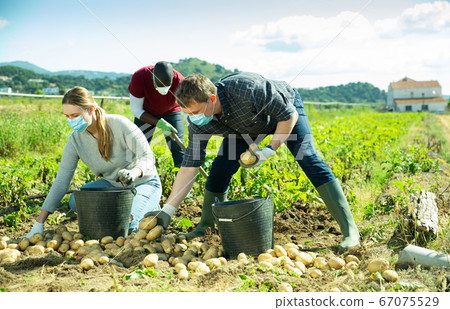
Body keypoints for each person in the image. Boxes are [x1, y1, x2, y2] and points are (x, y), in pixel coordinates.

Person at [146, 72, 360, 252]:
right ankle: (206, 226)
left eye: (195, 112)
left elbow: (289, 115)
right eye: (187, 114)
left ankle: (350, 231)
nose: (193, 118)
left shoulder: (248, 90)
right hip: (242, 127)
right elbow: (189, 167)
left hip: (283, 115)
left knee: (308, 158)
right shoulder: (198, 122)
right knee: (219, 171)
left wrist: (269, 150)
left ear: (212, 99)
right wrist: (167, 210)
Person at [24, 86, 162, 238]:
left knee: (128, 227)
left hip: (144, 183)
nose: (71, 121)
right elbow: (61, 181)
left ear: (91, 109)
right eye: (67, 116)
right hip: (113, 187)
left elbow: (148, 157)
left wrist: (133, 172)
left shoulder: (119, 124)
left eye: (75, 115)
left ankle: (147, 207)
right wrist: (39, 223)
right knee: (76, 202)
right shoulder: (76, 140)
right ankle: (126, 212)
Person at [128, 61, 185, 167]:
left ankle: (182, 181)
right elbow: (136, 110)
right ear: (152, 78)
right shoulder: (140, 77)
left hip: (171, 111)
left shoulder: (180, 81)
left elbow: (187, 110)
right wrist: (158, 122)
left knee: (178, 146)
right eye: (159, 87)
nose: (163, 92)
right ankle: (138, 177)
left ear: (172, 79)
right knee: (138, 148)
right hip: (146, 113)